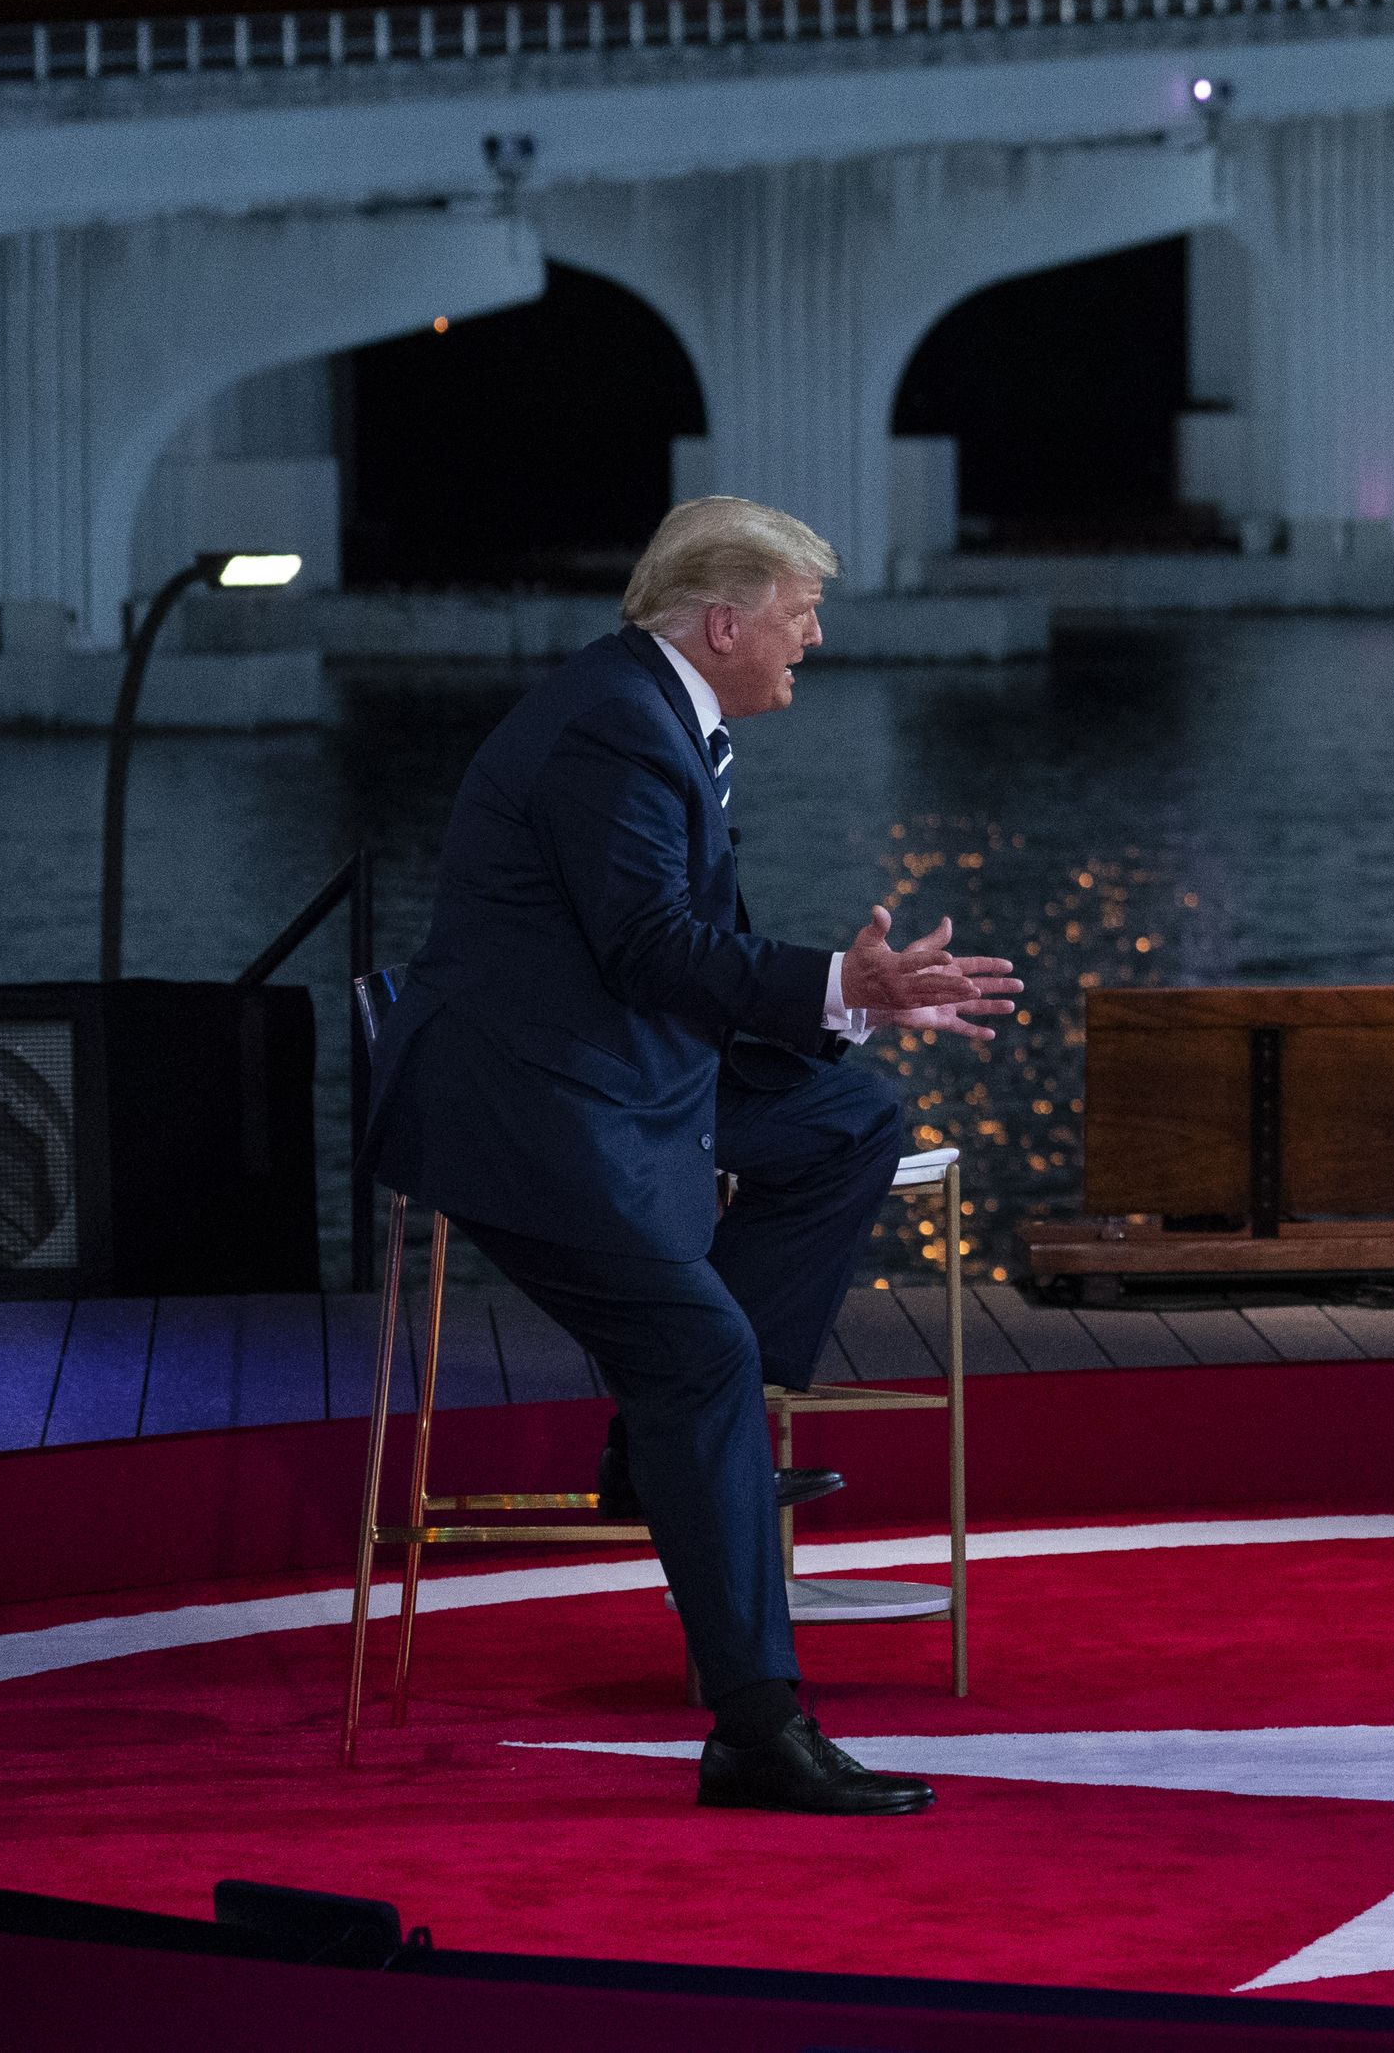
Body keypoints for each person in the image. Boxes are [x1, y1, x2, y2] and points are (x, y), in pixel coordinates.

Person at [367, 497, 1019, 1814]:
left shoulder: (658, 712)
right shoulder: (617, 724)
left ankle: (663, 1445)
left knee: (851, 1120)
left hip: (617, 1065)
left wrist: (850, 1002)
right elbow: (651, 949)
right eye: (797, 614)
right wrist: (841, 975)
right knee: (703, 1350)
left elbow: (671, 960)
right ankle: (756, 1727)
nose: (814, 637)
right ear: (722, 622)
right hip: (533, 1105)